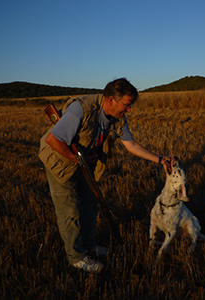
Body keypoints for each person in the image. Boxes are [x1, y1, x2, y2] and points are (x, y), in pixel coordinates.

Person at [39, 78, 168, 273]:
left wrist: (160, 160)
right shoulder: (81, 109)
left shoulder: (117, 116)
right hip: (60, 162)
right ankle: (76, 257)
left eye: (131, 105)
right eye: (127, 104)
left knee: (90, 203)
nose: (129, 109)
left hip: (84, 163)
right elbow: (53, 139)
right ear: (110, 100)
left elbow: (131, 144)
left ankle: (89, 245)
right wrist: (76, 160)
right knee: (70, 211)